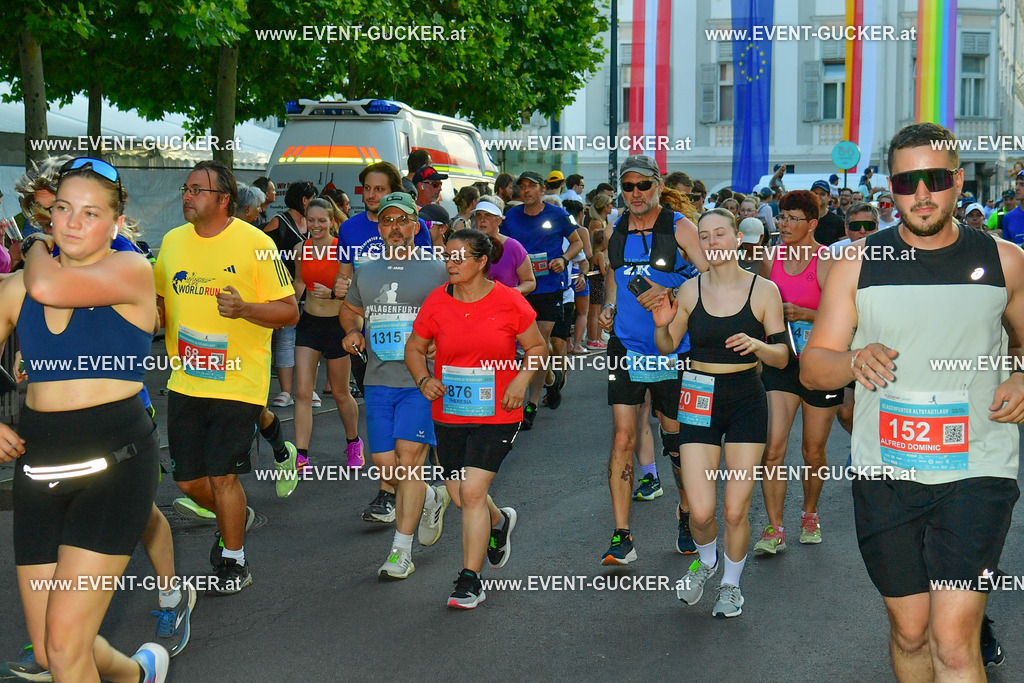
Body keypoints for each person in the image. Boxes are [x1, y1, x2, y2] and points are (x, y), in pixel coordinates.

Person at [801, 122, 1023, 680]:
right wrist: (853, 359)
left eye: (936, 179)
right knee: (910, 631)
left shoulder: (1007, 261)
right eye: (906, 182)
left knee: (954, 641)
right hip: (886, 472)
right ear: (891, 188)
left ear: (958, 181)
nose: (922, 194)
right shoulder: (857, 262)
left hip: (977, 468)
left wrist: (1020, 377)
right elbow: (814, 364)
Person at [1, 157, 169, 681]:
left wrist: (33, 243)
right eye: (63, 209)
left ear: (117, 223)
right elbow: (36, 286)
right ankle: (137, 674)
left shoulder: (132, 271)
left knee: (66, 648)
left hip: (114, 465)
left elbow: (49, 288)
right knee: (50, 650)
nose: (71, 223)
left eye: (90, 213)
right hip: (38, 468)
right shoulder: (15, 288)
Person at [155, 160, 299, 594]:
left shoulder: (257, 244)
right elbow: (158, 302)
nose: (187, 196)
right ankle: (234, 517)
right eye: (186, 188)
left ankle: (234, 560)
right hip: (185, 379)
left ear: (223, 200)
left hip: (238, 380)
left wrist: (245, 309)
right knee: (186, 480)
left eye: (197, 189)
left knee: (223, 476)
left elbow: (289, 311)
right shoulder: (172, 241)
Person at [652, 208, 789, 617]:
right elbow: (667, 345)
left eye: (720, 234)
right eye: (705, 236)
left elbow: (783, 356)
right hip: (698, 395)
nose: (712, 242)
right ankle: (707, 561)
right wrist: (661, 324)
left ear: (737, 239)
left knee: (734, 510)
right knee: (700, 511)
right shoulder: (689, 290)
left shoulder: (764, 290)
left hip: (746, 396)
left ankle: (731, 585)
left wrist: (758, 346)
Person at [406, 228, 547, 608]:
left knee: (471, 493)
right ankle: (499, 522)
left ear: (482, 261)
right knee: (459, 495)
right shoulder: (437, 301)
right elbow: (415, 348)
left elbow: (537, 347)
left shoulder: (509, 300)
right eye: (447, 256)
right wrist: (423, 379)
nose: (450, 263)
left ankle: (470, 579)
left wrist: (520, 381)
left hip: (499, 412)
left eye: (459, 257)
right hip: (449, 412)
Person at [596, 154, 709, 565]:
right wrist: (609, 306)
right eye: (628, 187)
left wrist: (672, 292)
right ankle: (621, 535)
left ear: (658, 186)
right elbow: (614, 274)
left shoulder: (680, 227)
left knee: (676, 441)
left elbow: (711, 278)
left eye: (643, 185)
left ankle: (686, 513)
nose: (636, 193)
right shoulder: (616, 227)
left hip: (674, 349)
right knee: (623, 437)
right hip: (626, 347)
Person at [340, 192, 451, 579]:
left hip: (421, 381)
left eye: (403, 220)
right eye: (387, 221)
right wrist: (352, 331)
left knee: (409, 461)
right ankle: (431, 495)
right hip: (378, 380)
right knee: (387, 467)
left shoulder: (438, 269)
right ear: (380, 227)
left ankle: (401, 551)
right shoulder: (367, 270)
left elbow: (459, 310)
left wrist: (441, 339)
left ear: (416, 225)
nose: (395, 227)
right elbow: (350, 308)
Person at [754, 190, 841, 555]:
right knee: (772, 448)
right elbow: (758, 308)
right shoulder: (771, 257)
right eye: (781, 217)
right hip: (782, 363)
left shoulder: (827, 260)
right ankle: (774, 528)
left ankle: (810, 514)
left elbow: (844, 317)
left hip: (820, 363)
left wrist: (805, 315)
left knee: (812, 450)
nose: (784, 224)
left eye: (792, 219)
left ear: (812, 224)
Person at [500, 171, 583, 429]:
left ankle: (531, 404)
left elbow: (577, 243)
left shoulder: (558, 214)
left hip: (548, 288)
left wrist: (564, 260)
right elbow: (500, 245)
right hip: (520, 289)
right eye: (522, 186)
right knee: (533, 348)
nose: (526, 191)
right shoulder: (511, 217)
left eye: (531, 186)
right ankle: (550, 379)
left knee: (539, 342)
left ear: (542, 189)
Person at [292, 198, 363, 470]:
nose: (316, 225)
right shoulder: (301, 249)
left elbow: (354, 289)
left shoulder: (341, 249)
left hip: (337, 325)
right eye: (311, 220)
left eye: (322, 220)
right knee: (303, 392)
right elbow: (299, 282)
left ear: (332, 221)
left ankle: (353, 441)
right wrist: (286, 308)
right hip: (309, 324)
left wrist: (333, 293)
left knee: (341, 392)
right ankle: (301, 456)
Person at [264, 180, 316, 408]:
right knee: (286, 341)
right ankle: (286, 391)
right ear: (304, 200)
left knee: (311, 343)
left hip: (313, 292)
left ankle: (309, 390)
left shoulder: (313, 222)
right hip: (286, 291)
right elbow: (262, 254)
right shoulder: (279, 222)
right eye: (313, 199)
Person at [474, 195, 535, 295]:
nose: (482, 220)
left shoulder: (514, 247)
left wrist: (513, 292)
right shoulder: (467, 245)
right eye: (478, 215)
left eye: (488, 215)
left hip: (505, 303)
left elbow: (530, 282)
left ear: (499, 220)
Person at [586, 229, 609, 350]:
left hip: (595, 284)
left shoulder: (595, 253)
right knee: (595, 313)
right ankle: (593, 339)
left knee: (596, 313)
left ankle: (597, 338)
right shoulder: (599, 254)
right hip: (597, 285)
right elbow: (604, 272)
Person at [809, 180, 846, 246]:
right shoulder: (803, 219)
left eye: (822, 194)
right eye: (815, 193)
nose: (818, 196)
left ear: (829, 197)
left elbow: (844, 245)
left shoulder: (838, 222)